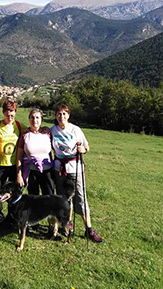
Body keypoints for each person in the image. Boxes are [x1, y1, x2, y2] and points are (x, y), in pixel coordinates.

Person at [51, 104, 104, 243]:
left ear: (68, 115)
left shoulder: (76, 130)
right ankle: (68, 225)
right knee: (63, 199)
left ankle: (89, 230)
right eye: (59, 114)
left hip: (75, 169)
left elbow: (87, 146)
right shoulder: (52, 130)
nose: (61, 116)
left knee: (80, 198)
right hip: (59, 170)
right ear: (55, 115)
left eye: (64, 114)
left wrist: (83, 150)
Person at [0, 100, 25, 223]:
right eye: (7, 114)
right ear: (3, 113)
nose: (10, 117)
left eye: (12, 114)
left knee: (14, 194)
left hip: (14, 166)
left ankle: (12, 217)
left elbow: (31, 133)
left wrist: (45, 130)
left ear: (15, 112)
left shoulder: (20, 127)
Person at [16, 108, 53, 196]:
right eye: (32, 117)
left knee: (49, 198)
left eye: (37, 117)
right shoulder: (25, 135)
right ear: (29, 119)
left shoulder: (47, 133)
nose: (34, 120)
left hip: (47, 171)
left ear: (41, 120)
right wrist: (19, 175)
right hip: (31, 171)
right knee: (33, 199)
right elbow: (19, 157)